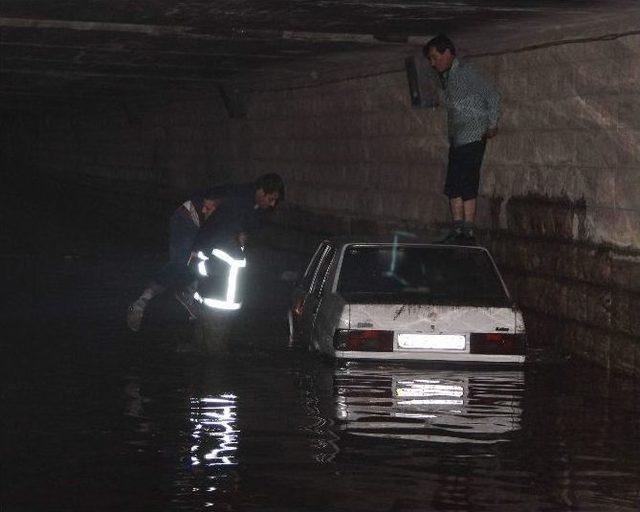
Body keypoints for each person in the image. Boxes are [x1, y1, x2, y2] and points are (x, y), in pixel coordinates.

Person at [126, 173, 285, 332]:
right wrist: (197, 249)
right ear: (261, 191)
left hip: (209, 228)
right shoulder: (238, 198)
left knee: (207, 262)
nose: (272, 204)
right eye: (271, 198)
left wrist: (242, 237)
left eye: (275, 201)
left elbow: (242, 231)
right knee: (183, 262)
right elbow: (214, 223)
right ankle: (141, 303)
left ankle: (189, 293)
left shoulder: (256, 209)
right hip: (189, 218)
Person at [424, 34, 502, 243]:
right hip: (457, 138)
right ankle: (457, 228)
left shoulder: (467, 72)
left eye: (435, 57)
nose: (433, 63)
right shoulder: (448, 77)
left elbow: (492, 95)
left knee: (467, 182)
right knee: (453, 184)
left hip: (473, 135)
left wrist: (492, 125)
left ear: (448, 53)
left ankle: (468, 230)